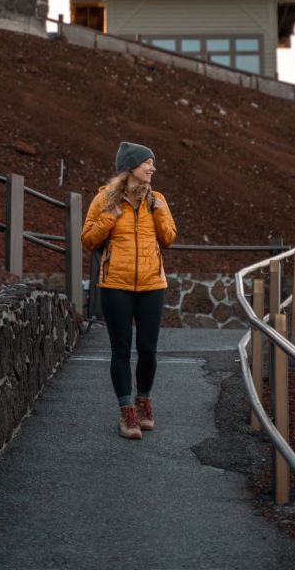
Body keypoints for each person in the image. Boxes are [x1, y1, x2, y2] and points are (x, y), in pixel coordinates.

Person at [81, 141, 177, 439]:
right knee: (120, 350)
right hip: (115, 286)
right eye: (148, 162)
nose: (153, 167)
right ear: (131, 166)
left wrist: (159, 212)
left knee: (148, 349)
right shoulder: (104, 200)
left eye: (153, 162)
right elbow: (88, 240)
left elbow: (169, 238)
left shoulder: (157, 199)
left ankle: (144, 400)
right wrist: (110, 215)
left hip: (152, 285)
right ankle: (126, 412)